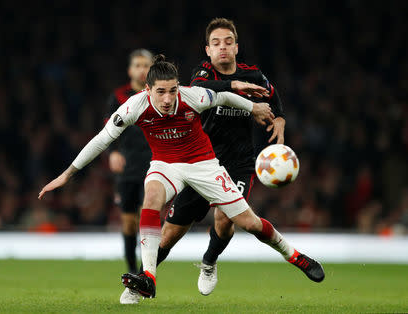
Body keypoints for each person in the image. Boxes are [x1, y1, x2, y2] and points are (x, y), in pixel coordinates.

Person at [38, 55, 323, 301]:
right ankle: (148, 277)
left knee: (247, 222)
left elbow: (223, 96)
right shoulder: (134, 106)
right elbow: (101, 140)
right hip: (165, 164)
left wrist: (253, 107)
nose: (168, 98)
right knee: (151, 198)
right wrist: (67, 174)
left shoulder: (193, 96)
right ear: (147, 89)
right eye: (161, 92)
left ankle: (296, 256)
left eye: (172, 91)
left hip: (204, 165)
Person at [119, 18, 319, 304]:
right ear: (208, 50)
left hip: (238, 162)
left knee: (226, 218)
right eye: (216, 43)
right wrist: (234, 85)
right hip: (197, 161)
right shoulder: (202, 74)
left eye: (227, 42)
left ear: (236, 47)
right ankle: (140, 280)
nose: (222, 47)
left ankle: (209, 262)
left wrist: (281, 120)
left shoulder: (255, 75)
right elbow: (201, 86)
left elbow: (273, 98)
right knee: (170, 234)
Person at [106, 49, 153, 274]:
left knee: (147, 219)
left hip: (154, 166)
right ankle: (132, 270)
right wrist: (112, 153)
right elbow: (108, 132)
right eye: (138, 65)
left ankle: (146, 271)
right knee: (129, 223)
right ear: (130, 70)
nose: (142, 69)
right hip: (127, 169)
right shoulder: (117, 97)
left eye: (146, 65)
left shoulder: (159, 95)